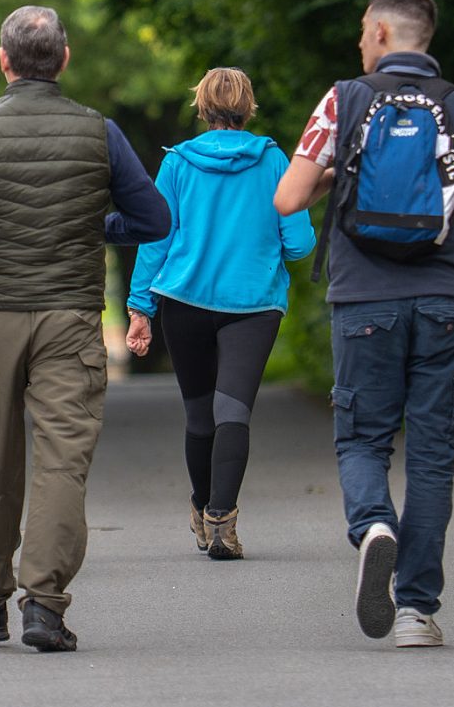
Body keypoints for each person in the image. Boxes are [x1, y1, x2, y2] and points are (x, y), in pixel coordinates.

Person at [0, 6, 170, 652]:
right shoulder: (99, 132)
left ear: (3, 61)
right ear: (65, 57)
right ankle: (44, 604)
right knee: (61, 462)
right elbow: (155, 218)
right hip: (70, 319)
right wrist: (98, 227)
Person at [274, 0, 454, 648]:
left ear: (383, 34)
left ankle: (373, 525)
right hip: (445, 299)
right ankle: (416, 610)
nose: (359, 41)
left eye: (363, 30)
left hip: (363, 299)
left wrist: (343, 183)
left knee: (362, 438)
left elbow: (287, 196)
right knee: (435, 454)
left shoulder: (344, 100)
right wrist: (442, 210)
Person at [124, 67, 315, 560]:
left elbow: (156, 239)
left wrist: (140, 307)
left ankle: (201, 503)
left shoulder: (178, 164)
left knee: (198, 416)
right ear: (248, 106)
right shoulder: (275, 161)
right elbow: (298, 245)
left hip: (184, 302)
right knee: (234, 414)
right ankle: (221, 523)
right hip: (252, 306)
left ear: (202, 107)